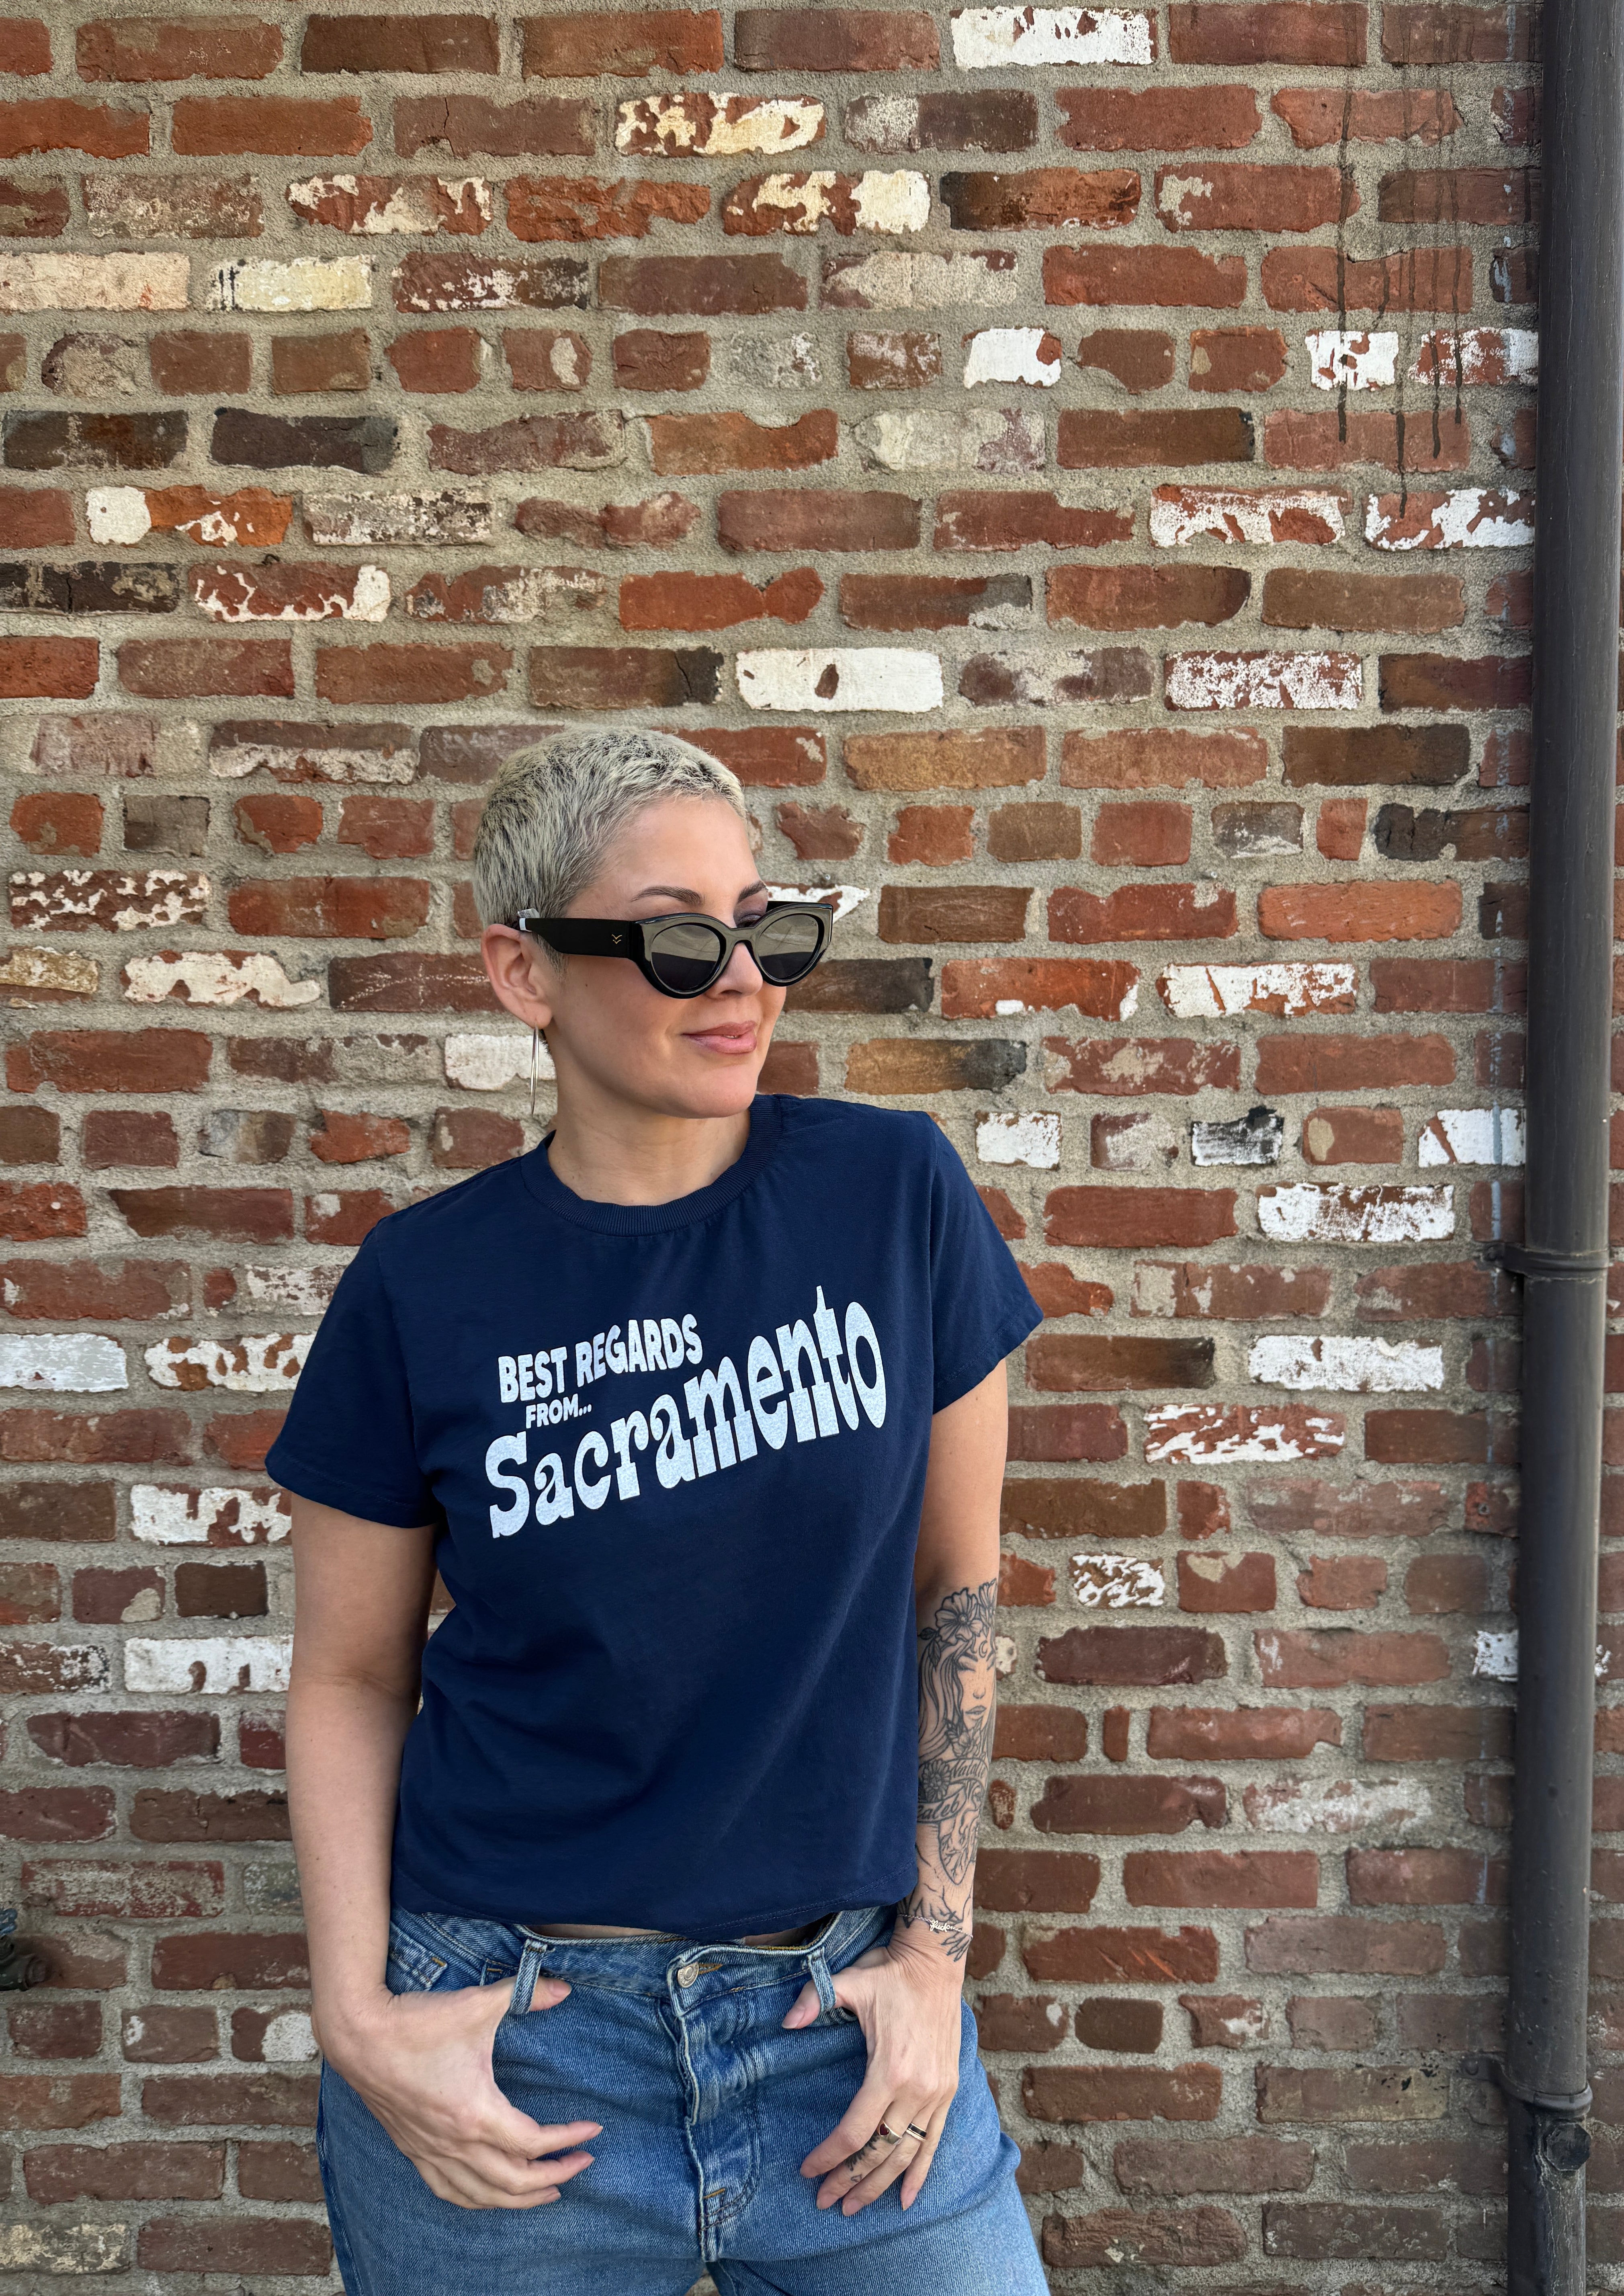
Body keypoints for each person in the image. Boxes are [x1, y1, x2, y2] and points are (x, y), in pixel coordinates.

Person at [274, 727, 1051, 2295]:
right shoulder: (424, 1285)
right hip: (514, 2040)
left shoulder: (892, 1197)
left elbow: (956, 1593)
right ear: (525, 972)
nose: (742, 980)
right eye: (678, 942)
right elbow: (352, 1675)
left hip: (839, 2034)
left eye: (767, 929)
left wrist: (933, 1959)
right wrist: (358, 2020)